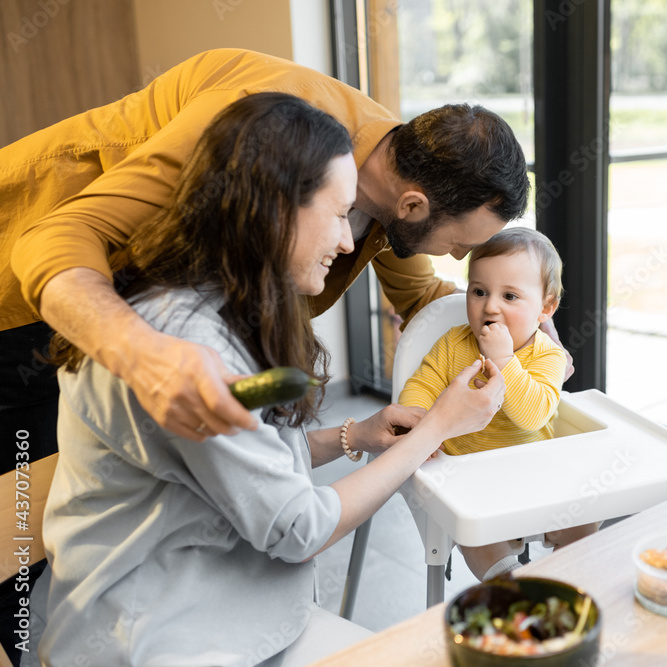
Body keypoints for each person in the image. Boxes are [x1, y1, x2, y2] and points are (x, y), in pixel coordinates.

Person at [29, 93, 506, 666]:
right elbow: (297, 528)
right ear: (274, 213)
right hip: (156, 645)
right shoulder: (192, 344)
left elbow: (241, 458)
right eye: (335, 215)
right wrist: (438, 430)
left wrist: (358, 435)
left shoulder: (229, 309)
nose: (348, 242)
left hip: (239, 620)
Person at [398, 228, 598, 581]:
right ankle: (509, 585)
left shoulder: (547, 356)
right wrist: (419, 426)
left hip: (536, 477)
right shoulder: (452, 345)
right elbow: (421, 386)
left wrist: (506, 361)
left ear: (545, 308)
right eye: (479, 291)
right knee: (471, 529)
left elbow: (532, 415)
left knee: (587, 510)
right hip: (470, 480)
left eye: (509, 296)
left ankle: (565, 578)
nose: (490, 306)